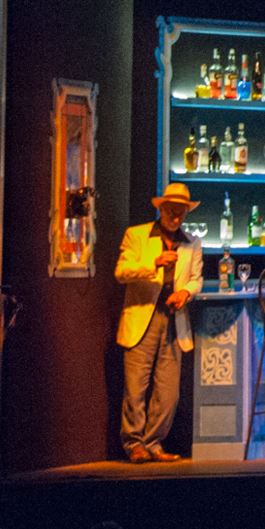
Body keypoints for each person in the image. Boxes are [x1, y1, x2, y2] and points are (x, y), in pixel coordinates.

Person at [115, 182, 204, 462]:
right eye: (171, 211)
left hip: (174, 319)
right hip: (143, 317)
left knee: (168, 393)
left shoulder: (192, 243)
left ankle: (153, 443)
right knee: (136, 387)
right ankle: (134, 444)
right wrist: (153, 263)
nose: (175, 217)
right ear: (161, 209)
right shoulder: (137, 235)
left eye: (181, 212)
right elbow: (121, 271)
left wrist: (185, 293)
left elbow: (196, 279)